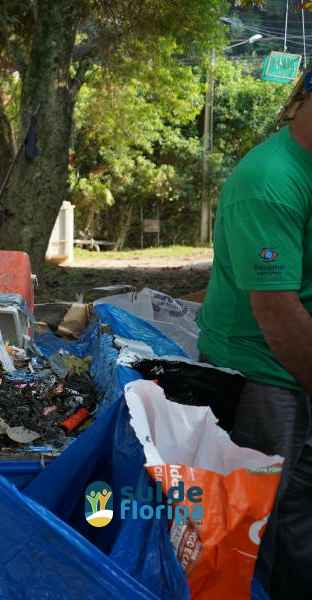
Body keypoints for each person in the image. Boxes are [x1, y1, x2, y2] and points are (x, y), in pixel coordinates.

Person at [197, 68, 312, 599]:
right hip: (264, 373)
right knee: (256, 522)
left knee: (299, 516)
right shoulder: (270, 182)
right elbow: (277, 312)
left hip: (300, 366)